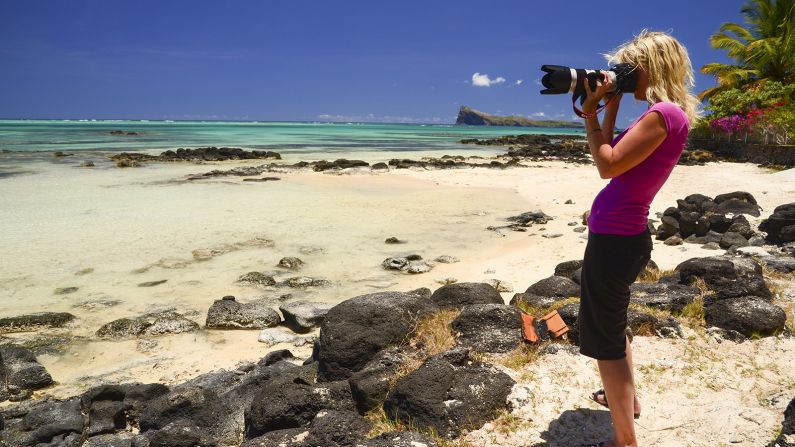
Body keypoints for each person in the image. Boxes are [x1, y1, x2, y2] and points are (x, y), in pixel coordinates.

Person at [577, 30, 700, 447]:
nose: (622, 75)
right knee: (614, 326)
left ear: (651, 66)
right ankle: (628, 405)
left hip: (615, 240)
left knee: (604, 339)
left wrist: (591, 113)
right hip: (623, 236)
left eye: (630, 68)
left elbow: (606, 165)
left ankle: (625, 440)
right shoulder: (669, 113)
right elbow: (612, 151)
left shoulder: (662, 114)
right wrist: (606, 108)